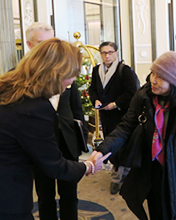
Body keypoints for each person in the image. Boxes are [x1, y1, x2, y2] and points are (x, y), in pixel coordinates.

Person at [90, 51, 176, 219]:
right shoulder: (143, 96)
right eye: (153, 73)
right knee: (158, 211)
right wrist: (103, 149)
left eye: (160, 77)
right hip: (153, 170)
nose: (153, 80)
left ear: (174, 82)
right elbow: (125, 127)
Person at [0, 38, 109, 220]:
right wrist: (88, 166)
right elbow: (54, 166)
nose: (73, 80)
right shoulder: (34, 107)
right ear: (56, 72)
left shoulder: (9, 87)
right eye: (72, 74)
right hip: (9, 195)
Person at [26, 22, 89, 220]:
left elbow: (76, 109)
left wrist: (81, 138)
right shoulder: (23, 76)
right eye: (42, 43)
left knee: (70, 195)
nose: (49, 48)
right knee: (45, 196)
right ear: (29, 45)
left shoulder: (66, 70)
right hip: (40, 144)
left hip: (68, 142)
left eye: (53, 42)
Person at [88, 41, 140, 194]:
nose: (107, 55)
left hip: (122, 114)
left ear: (117, 53)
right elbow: (93, 89)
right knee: (109, 140)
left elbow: (132, 92)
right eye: (104, 53)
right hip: (105, 113)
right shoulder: (97, 69)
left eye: (110, 52)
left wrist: (115, 104)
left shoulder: (124, 70)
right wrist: (95, 100)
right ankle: (118, 168)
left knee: (122, 143)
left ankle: (119, 173)